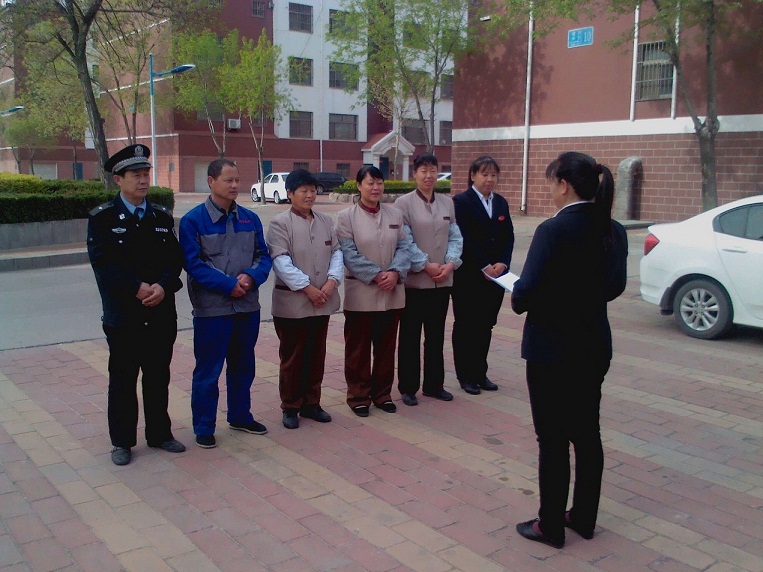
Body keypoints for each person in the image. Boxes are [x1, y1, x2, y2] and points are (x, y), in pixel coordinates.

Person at [512, 152, 628, 549]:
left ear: (564, 184)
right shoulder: (613, 229)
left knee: (553, 438)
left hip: (551, 349)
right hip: (593, 345)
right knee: (587, 433)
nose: (550, 189)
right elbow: (615, 287)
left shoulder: (553, 230)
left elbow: (525, 293)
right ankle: (583, 517)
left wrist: (520, 291)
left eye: (551, 182)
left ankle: (550, 525)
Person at [87, 144, 186, 466]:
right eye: (136, 175)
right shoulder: (103, 218)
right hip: (124, 316)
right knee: (123, 379)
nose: (143, 181)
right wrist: (137, 288)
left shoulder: (161, 216)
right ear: (118, 179)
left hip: (160, 312)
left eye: (146, 174)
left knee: (158, 377)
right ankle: (122, 441)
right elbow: (103, 265)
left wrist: (163, 286)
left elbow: (175, 261)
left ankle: (160, 434)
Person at [179, 159, 272, 448]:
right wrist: (228, 284)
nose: (234, 185)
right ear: (211, 181)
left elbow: (263, 256)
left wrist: (251, 277)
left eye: (237, 180)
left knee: (243, 365)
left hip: (247, 306)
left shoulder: (250, 219)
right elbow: (194, 264)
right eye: (227, 180)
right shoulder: (193, 221)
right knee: (208, 370)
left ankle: (240, 416)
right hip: (212, 310)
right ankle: (204, 426)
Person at [266, 169, 343, 429]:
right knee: (293, 356)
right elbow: (281, 261)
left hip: (322, 300)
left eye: (313, 190)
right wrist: (308, 288)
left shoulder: (325, 221)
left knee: (316, 354)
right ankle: (290, 406)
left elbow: (336, 253)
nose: (310, 195)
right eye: (303, 191)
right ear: (290, 193)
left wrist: (332, 281)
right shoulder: (280, 223)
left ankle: (312, 403)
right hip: (293, 303)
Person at [335, 165, 412, 417]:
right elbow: (348, 253)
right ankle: (358, 396)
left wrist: (395, 272)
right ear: (359, 186)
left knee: (386, 348)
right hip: (361, 294)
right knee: (357, 349)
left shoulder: (395, 214)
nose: (376, 188)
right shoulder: (346, 217)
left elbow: (404, 247)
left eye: (379, 183)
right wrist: (377, 275)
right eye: (370, 183)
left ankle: (382, 394)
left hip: (391, 293)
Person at [394, 154, 463, 406]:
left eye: (433, 170)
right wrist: (425, 265)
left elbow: (455, 236)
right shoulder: (403, 204)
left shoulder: (447, 203)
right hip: (415, 283)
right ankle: (408, 387)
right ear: (415, 173)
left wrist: (450, 263)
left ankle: (434, 385)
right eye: (423, 170)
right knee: (410, 336)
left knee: (436, 336)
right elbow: (405, 241)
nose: (429, 176)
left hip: (441, 281)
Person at [451, 156, 514, 395]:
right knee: (467, 325)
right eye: (484, 174)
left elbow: (508, 236)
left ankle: (480, 373)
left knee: (486, 325)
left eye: (493, 175)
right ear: (473, 175)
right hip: (469, 276)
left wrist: (502, 263)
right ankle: (465, 375)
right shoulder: (461, 202)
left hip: (496, 276)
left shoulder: (501, 203)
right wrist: (484, 266)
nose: (490, 179)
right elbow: (463, 238)